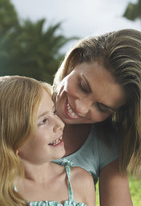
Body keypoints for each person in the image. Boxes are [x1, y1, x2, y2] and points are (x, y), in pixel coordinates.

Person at [53, 28, 141, 206]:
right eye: (83, 86)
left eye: (101, 107)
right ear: (75, 61)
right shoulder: (14, 105)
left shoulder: (105, 145)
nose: (80, 107)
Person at [0, 75, 95, 206]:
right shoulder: (4, 191)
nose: (60, 124)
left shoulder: (80, 181)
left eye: (54, 112)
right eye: (44, 121)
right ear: (15, 137)